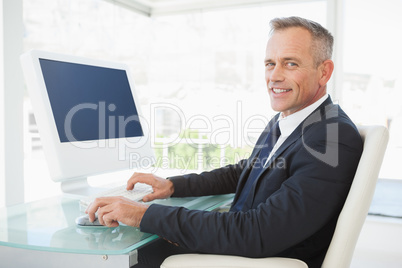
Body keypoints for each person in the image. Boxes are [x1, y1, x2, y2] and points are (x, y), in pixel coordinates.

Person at [86, 16, 363, 268]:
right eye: (270, 63)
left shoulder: (332, 138)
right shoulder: (293, 120)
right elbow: (248, 170)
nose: (274, 75)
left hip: (255, 259)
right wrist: (172, 186)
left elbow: (258, 232)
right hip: (240, 249)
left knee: (120, 259)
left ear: (324, 72)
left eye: (290, 63)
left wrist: (144, 214)